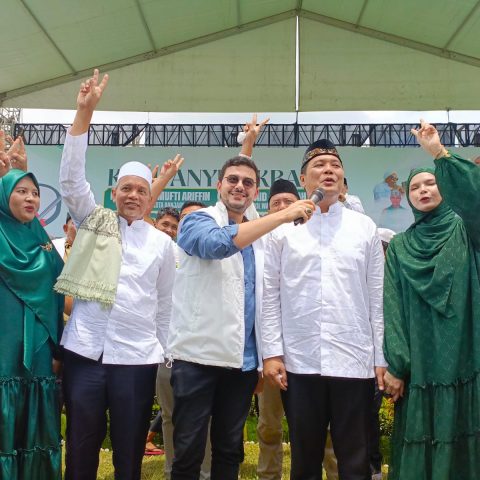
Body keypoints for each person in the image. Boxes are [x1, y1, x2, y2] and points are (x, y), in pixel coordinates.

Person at [166, 116, 315, 480]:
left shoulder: (258, 229)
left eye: (248, 183)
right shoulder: (198, 221)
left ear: (255, 192)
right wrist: (284, 215)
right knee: (188, 452)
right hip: (198, 357)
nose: (239, 187)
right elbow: (218, 244)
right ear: (218, 185)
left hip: (242, 363)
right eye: (231, 180)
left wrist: (247, 147)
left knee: (230, 450)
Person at [56, 69, 176, 480]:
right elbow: (71, 181)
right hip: (85, 354)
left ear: (149, 197)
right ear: (114, 193)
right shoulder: (95, 221)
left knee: (129, 453)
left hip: (136, 360)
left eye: (141, 190)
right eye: (126, 188)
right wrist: (84, 114)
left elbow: (165, 305)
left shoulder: (161, 244)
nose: (133, 195)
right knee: (80, 447)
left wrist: (164, 354)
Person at [262, 139, 386, 480]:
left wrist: (380, 357)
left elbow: (377, 296)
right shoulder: (283, 230)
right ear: (303, 180)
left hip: (354, 359)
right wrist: (272, 353)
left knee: (355, 458)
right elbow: (270, 295)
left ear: (343, 179)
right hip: (300, 360)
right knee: (305, 459)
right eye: (319, 165)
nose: (328, 170)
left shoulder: (364, 228)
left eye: (335, 165)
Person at [383, 120, 480, 480]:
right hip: (421, 365)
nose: (423, 190)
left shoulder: (467, 230)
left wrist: (438, 153)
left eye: (431, 183)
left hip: (466, 355)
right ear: (407, 197)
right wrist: (397, 364)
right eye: (415, 187)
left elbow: (475, 197)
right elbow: (393, 307)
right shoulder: (400, 246)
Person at [0, 132, 64, 479]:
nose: (31, 198)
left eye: (36, 192)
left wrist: (58, 347)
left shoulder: (41, 240)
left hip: (39, 347)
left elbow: (59, 287)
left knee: (36, 417)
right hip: (4, 346)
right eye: (21, 191)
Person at [256, 178, 300, 480]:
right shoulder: (258, 240)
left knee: (320, 427)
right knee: (269, 424)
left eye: (288, 202)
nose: (283, 208)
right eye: (276, 204)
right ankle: (268, 475)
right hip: (270, 351)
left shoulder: (316, 237)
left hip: (308, 353)